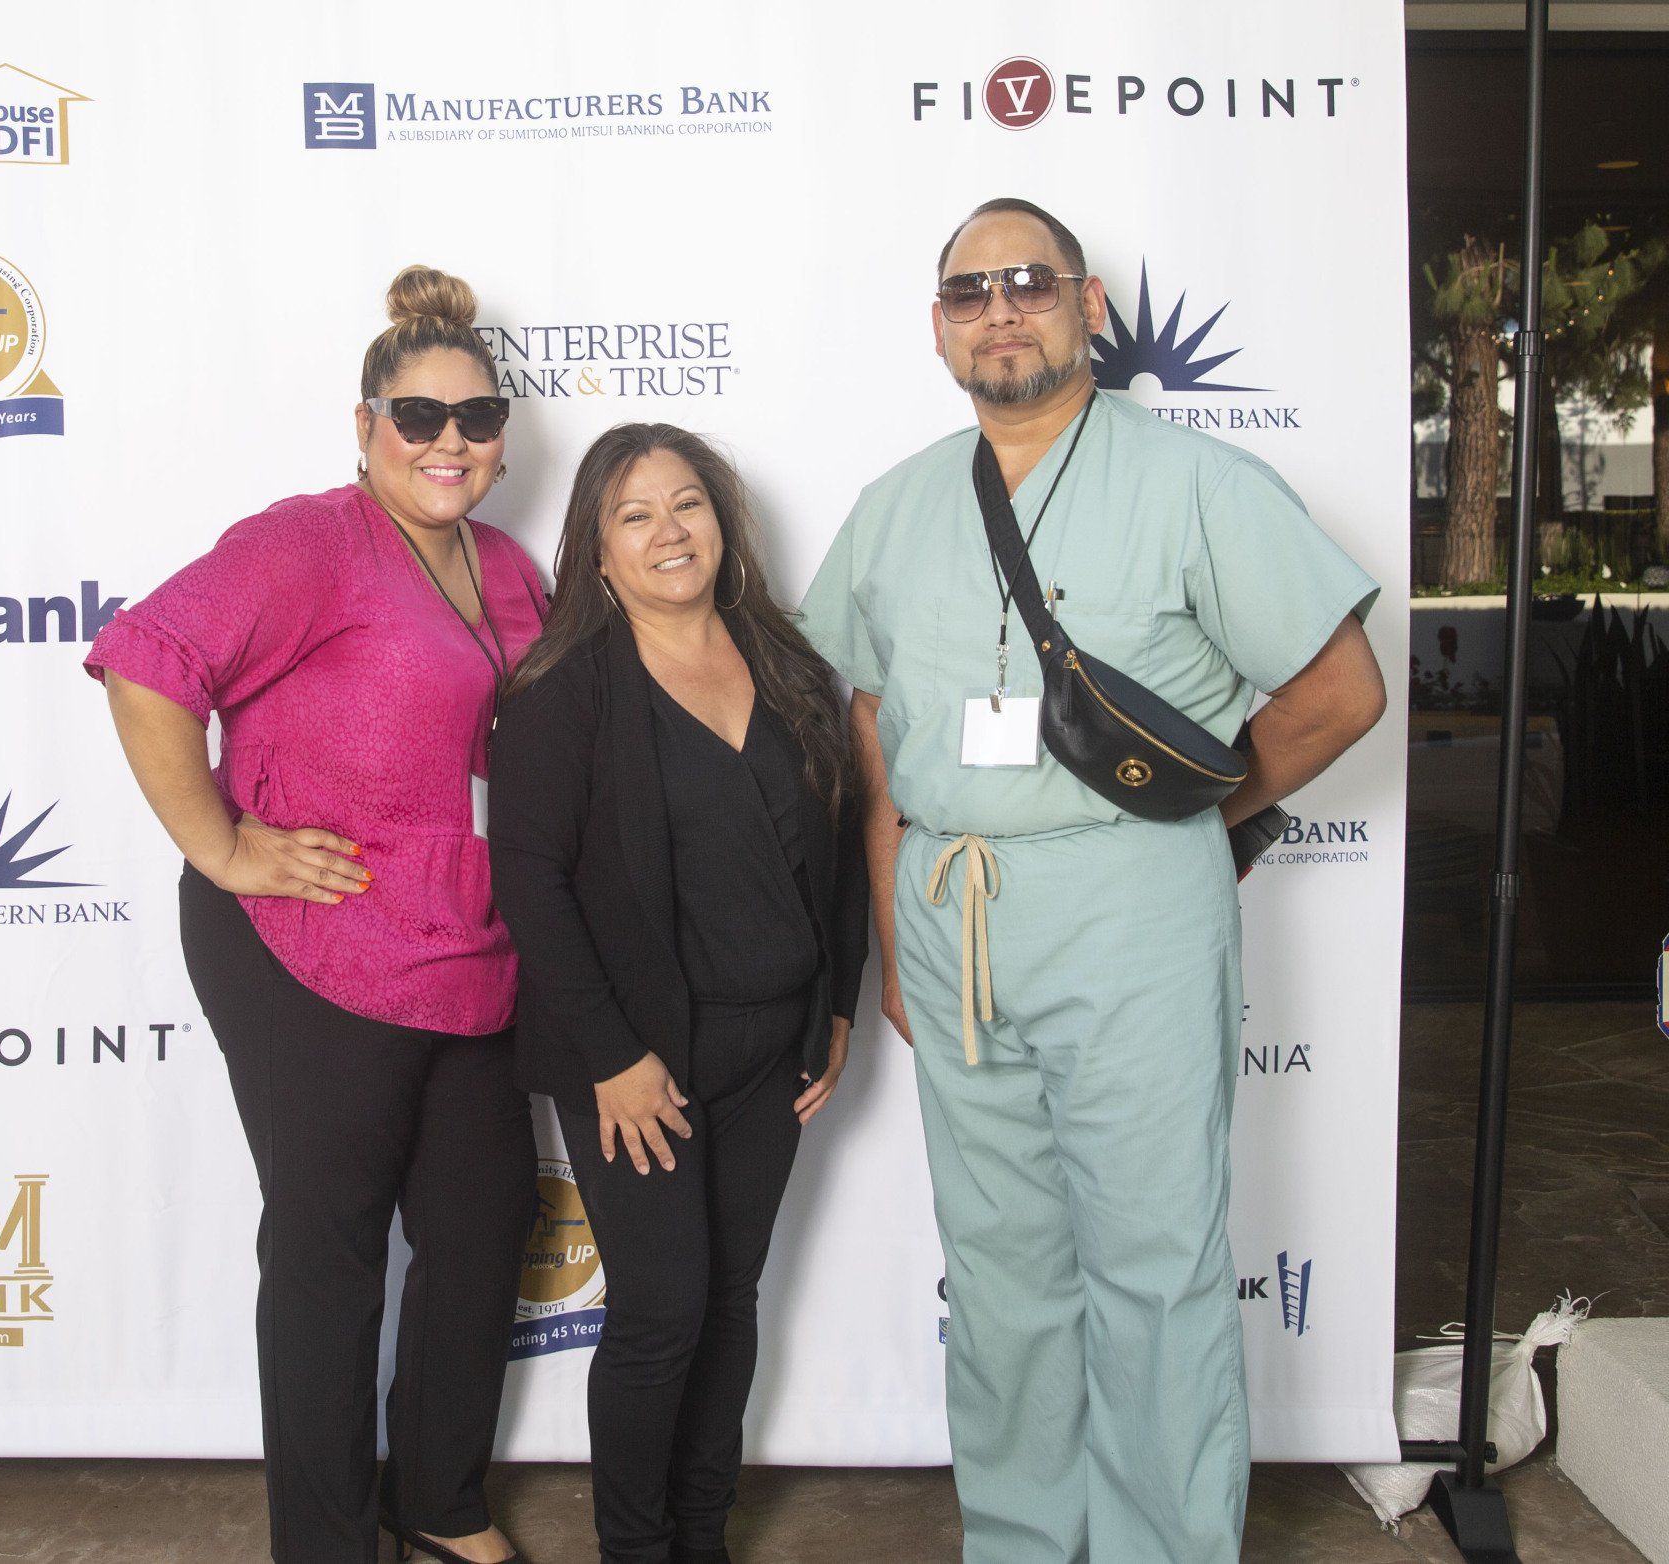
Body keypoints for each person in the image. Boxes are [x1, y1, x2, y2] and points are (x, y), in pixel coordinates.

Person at [797, 199, 1387, 1564]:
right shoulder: (897, 505)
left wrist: (1178, 818)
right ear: (938, 329)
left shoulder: (1198, 484)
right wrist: (892, 924)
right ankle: (1020, 1540)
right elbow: (873, 719)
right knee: (999, 1268)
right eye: (969, 292)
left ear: (1091, 307)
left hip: (1130, 913)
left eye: (1030, 281)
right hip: (952, 914)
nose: (1000, 310)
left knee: (1153, 1266)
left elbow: (1341, 691)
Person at [84, 266, 545, 1564]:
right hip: (311, 944)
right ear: (365, 425)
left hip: (470, 952)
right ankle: (328, 1542)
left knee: (480, 1228)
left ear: (502, 435)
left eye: (476, 417)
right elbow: (146, 662)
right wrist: (223, 845)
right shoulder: (310, 543)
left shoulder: (512, 568)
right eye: (418, 416)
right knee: (329, 1251)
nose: (449, 441)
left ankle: (440, 1502)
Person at [488, 424, 867, 1564]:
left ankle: (702, 1536)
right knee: (661, 1311)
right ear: (597, 549)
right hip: (636, 1061)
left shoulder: (790, 669)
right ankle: (637, 1548)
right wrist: (612, 1055)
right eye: (635, 513)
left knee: (732, 1297)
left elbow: (844, 848)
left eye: (687, 503)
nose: (669, 531)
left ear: (723, 522)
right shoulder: (561, 693)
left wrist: (836, 1004)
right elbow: (530, 885)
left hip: (772, 1046)